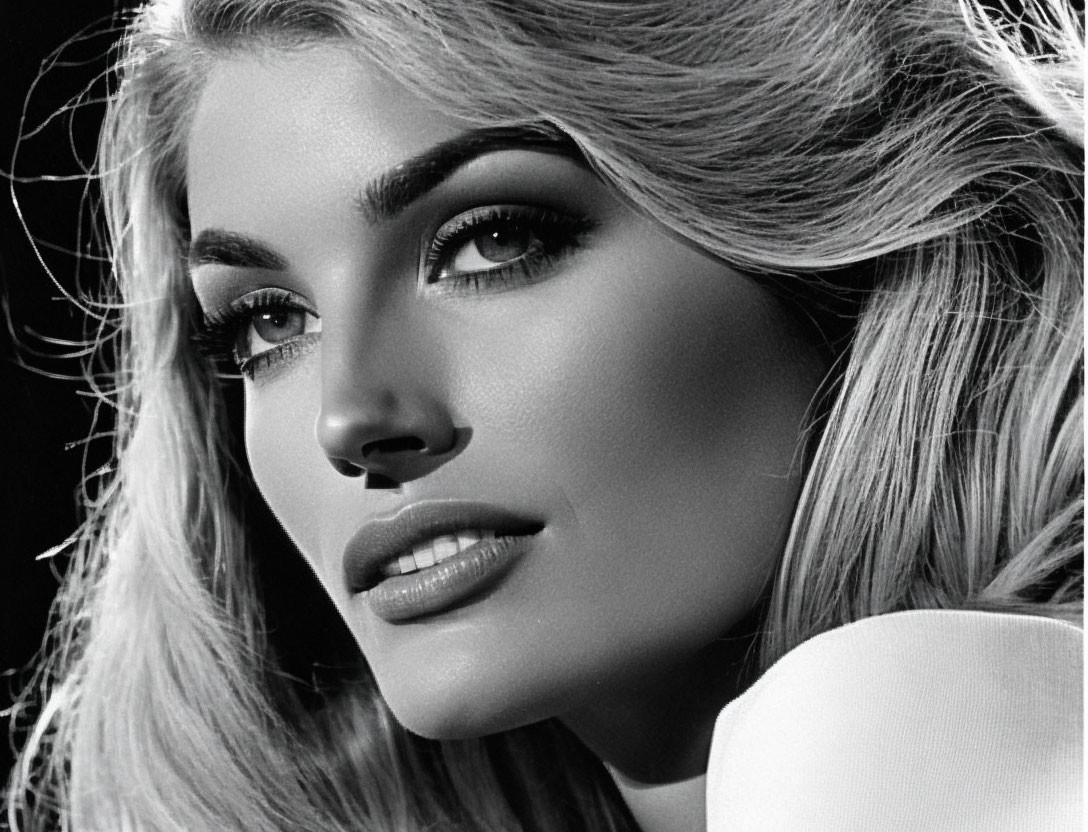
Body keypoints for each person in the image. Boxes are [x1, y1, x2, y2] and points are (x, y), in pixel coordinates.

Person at [6, 0, 1083, 830]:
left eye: (491, 240)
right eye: (267, 323)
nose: (351, 417)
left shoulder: (910, 744)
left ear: (822, 229)